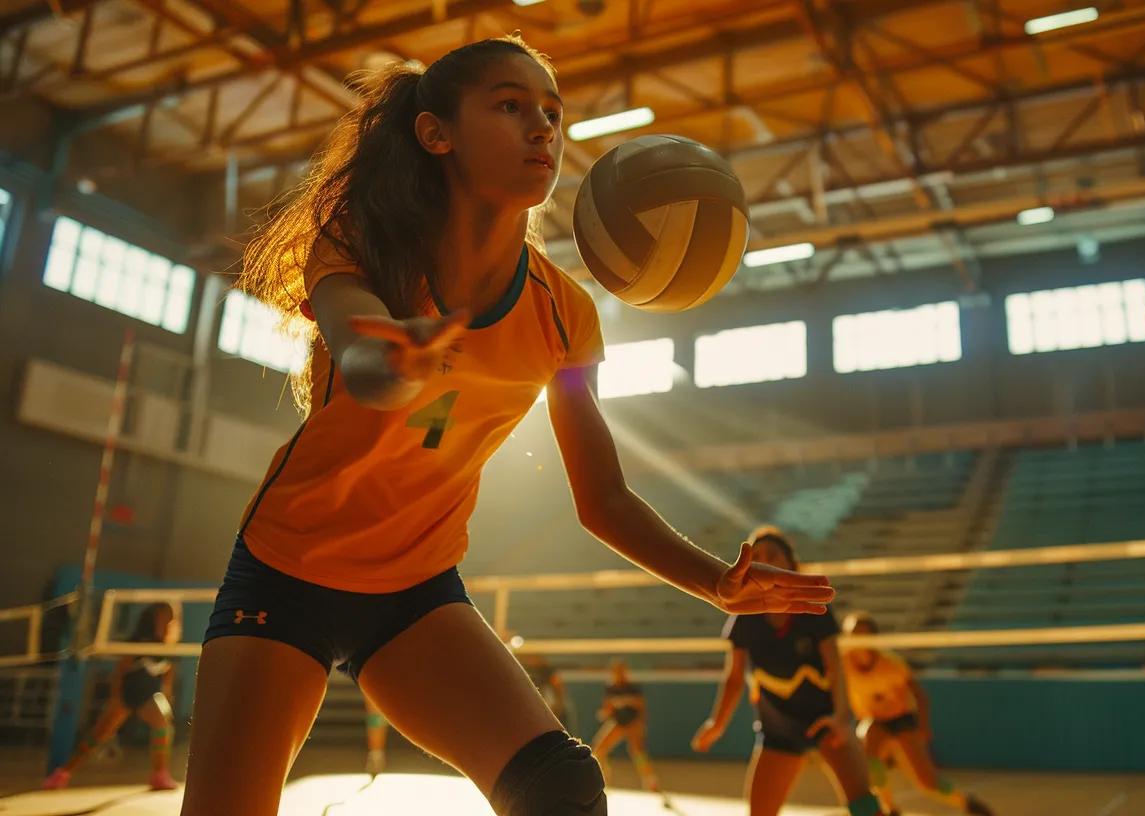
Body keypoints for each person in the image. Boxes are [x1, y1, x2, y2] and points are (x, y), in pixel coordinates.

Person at [179, 34, 833, 816]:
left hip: (416, 591)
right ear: (437, 133)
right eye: (512, 106)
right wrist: (393, 361)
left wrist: (716, 584)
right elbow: (359, 347)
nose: (543, 130)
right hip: (287, 574)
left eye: (553, 115)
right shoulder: (366, 241)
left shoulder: (564, 312)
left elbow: (604, 500)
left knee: (560, 786)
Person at [692, 527, 886, 816]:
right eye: (756, 556)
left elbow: (836, 666)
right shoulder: (743, 615)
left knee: (865, 807)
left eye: (772, 554)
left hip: (824, 721)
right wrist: (716, 724)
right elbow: (734, 678)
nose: (764, 560)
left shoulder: (812, 606)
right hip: (779, 730)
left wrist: (843, 718)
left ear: (791, 564)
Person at [840, 612, 991, 815]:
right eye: (851, 634)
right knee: (870, 759)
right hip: (874, 721)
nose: (855, 639)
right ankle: (889, 809)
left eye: (860, 634)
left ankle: (966, 803)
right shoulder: (842, 663)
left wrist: (923, 727)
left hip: (900, 719)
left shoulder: (891, 664)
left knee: (927, 782)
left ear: (872, 637)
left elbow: (920, 696)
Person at [44, 602, 180, 791]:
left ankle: (159, 774)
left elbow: (168, 676)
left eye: (170, 617)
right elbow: (120, 671)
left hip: (149, 697)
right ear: (153, 617)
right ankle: (63, 773)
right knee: (99, 734)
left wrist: (167, 698)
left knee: (163, 725)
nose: (168, 620)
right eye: (164, 616)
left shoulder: (170, 647)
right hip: (127, 694)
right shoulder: (139, 641)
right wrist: (115, 696)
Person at [590, 659, 660, 791]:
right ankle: (604, 780)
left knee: (638, 752)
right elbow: (607, 708)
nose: (619, 674)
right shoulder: (610, 688)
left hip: (633, 723)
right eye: (616, 672)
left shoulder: (633, 687)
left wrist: (640, 724)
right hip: (617, 723)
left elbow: (641, 706)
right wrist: (605, 713)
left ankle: (650, 780)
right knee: (599, 749)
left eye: (621, 671)